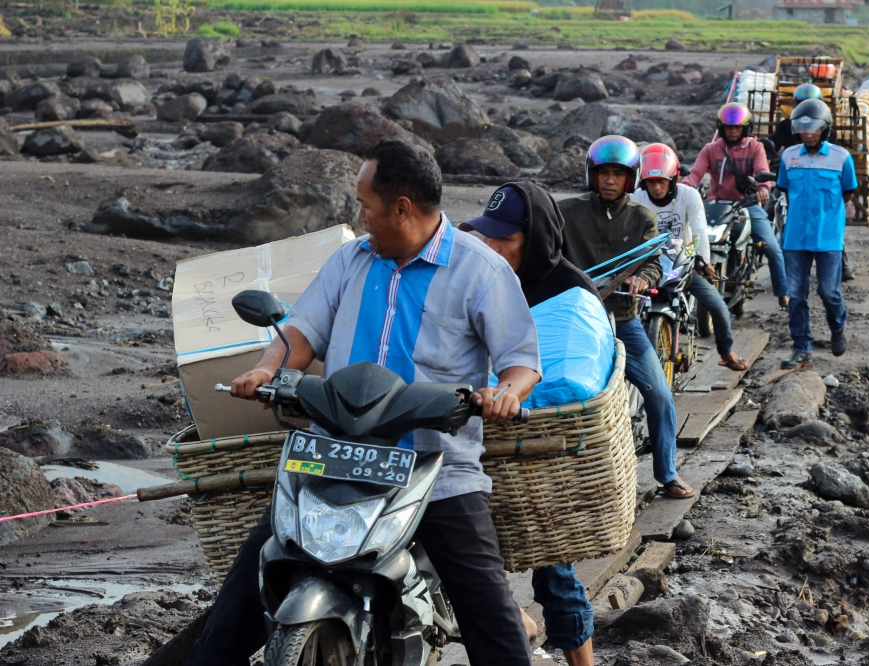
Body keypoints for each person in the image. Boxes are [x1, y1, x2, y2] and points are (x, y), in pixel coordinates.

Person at [186, 139, 542, 666]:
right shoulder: (350, 260)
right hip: (331, 455)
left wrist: (504, 395)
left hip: (432, 467)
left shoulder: (480, 271)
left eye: (365, 206)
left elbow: (521, 362)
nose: (359, 217)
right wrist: (266, 371)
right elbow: (300, 333)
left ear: (401, 209)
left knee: (490, 620)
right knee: (244, 592)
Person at [459, 181, 600, 666]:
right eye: (488, 237)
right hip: (473, 439)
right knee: (470, 559)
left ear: (536, 237)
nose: (494, 249)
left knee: (554, 571)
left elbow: (574, 378)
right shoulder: (482, 279)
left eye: (507, 240)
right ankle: (517, 620)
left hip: (536, 455)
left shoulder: (570, 291)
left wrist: (516, 394)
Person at [558, 135, 694, 500]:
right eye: (603, 173)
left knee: (660, 394)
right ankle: (566, 476)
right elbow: (545, 248)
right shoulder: (566, 212)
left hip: (623, 319)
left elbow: (652, 260)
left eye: (618, 174)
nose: (610, 181)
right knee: (560, 393)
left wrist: (641, 279)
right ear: (592, 175)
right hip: (575, 320)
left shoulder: (642, 218)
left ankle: (666, 473)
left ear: (631, 179)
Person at [629, 143, 748, 371]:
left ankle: (726, 351)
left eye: (661, 181)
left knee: (718, 307)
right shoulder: (636, 197)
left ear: (673, 179)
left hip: (681, 264)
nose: (656, 188)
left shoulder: (689, 195)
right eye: (651, 182)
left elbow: (698, 231)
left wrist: (700, 260)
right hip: (648, 266)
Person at [776, 100, 857, 371]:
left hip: (828, 237)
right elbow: (786, 191)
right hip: (795, 237)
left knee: (828, 291)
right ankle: (802, 347)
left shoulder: (841, 158)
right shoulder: (789, 156)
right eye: (803, 128)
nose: (808, 133)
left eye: (813, 128)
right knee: (796, 295)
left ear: (825, 129)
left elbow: (848, 192)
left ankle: (838, 326)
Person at [684, 103, 788, 309]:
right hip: (716, 205)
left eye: (737, 127)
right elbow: (695, 174)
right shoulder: (711, 149)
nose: (732, 130)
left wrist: (763, 188)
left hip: (746, 205)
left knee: (773, 248)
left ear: (745, 128)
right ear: (721, 128)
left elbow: (761, 170)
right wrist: (685, 187)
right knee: (689, 244)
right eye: (729, 127)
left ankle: (782, 294)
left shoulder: (755, 147)